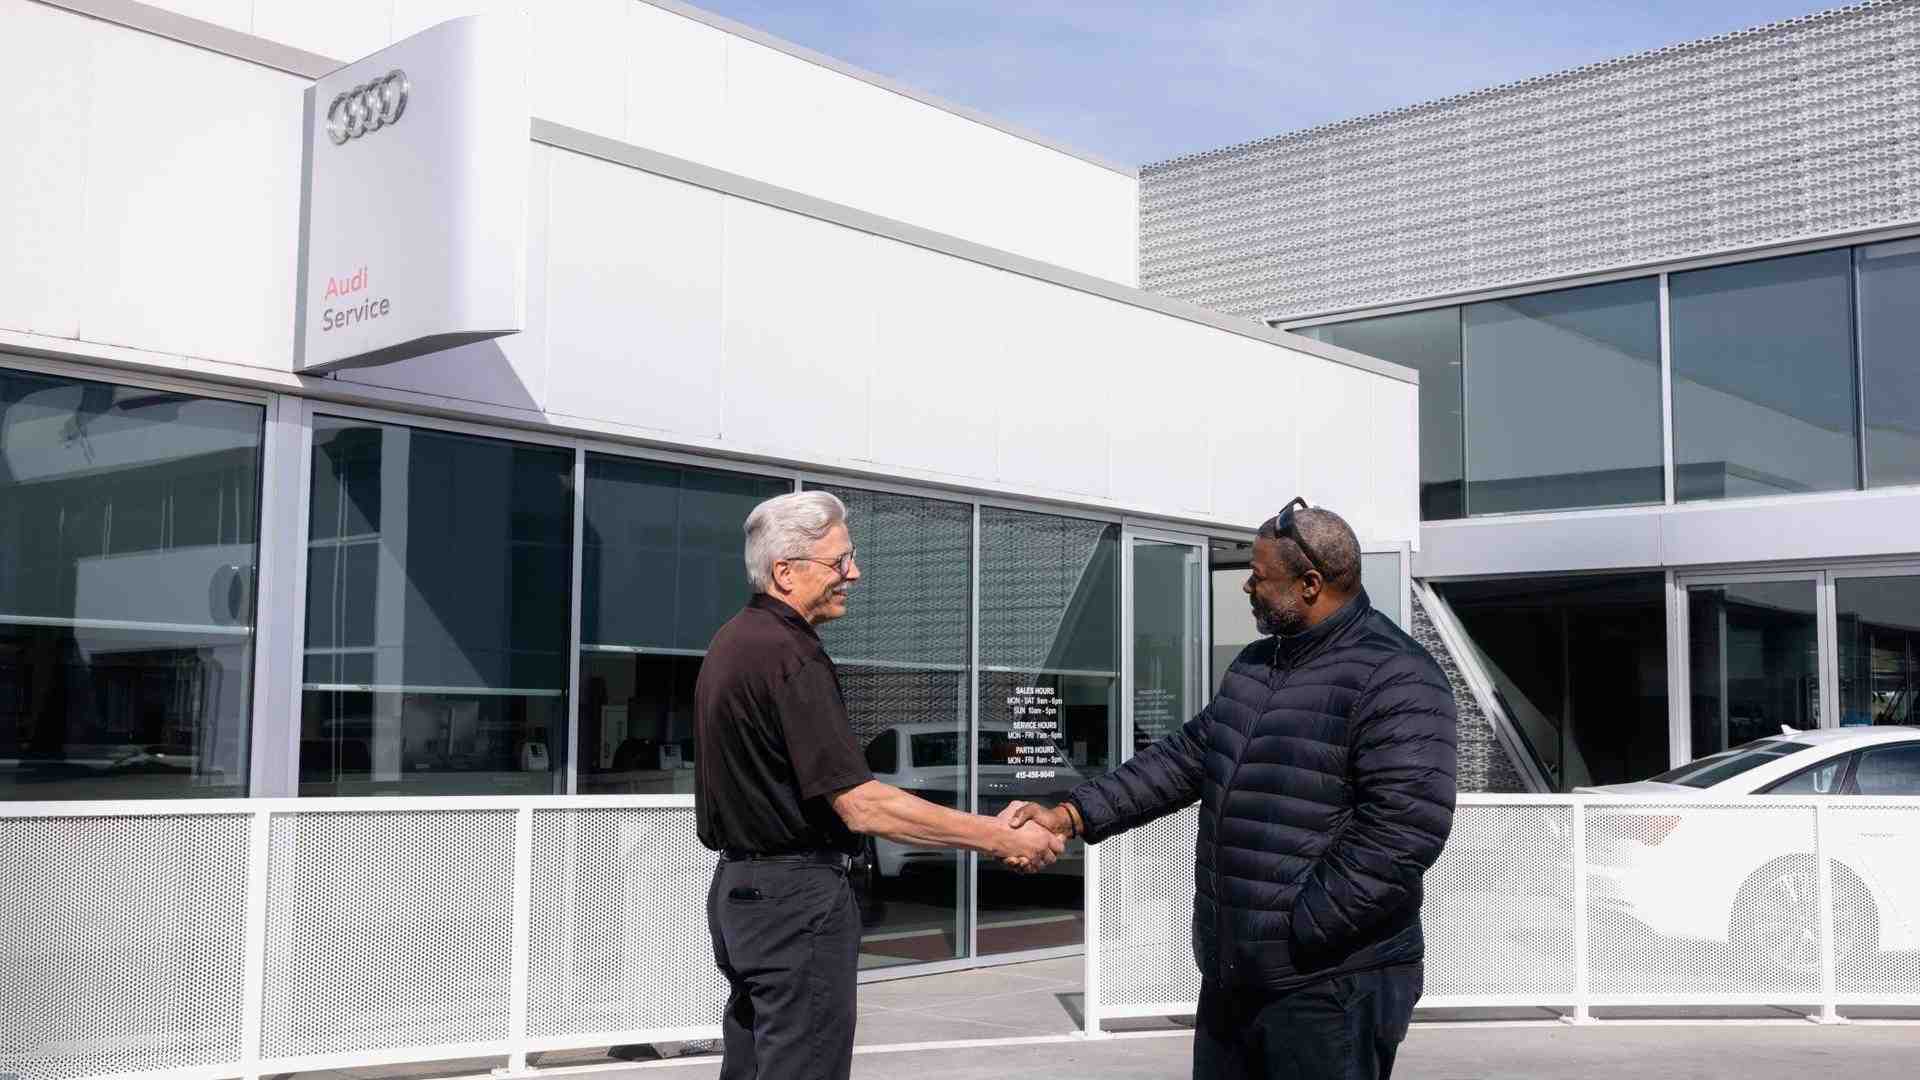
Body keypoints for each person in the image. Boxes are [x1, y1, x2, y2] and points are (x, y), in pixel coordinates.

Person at [1009, 497, 1457, 1080]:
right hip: (1237, 973)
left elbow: (1404, 827)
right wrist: (1070, 815)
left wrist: (1302, 927)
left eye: (1259, 576)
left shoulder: (1397, 676)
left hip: (1331, 984)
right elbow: (1183, 759)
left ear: (1310, 585)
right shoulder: (1256, 666)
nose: (1247, 586)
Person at [695, 491, 1063, 1080]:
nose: (854, 574)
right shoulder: (789, 654)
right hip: (795, 897)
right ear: (785, 572)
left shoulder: (731, 643)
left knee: (754, 1065)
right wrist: (996, 837)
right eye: (839, 561)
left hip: (741, 893)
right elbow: (862, 804)